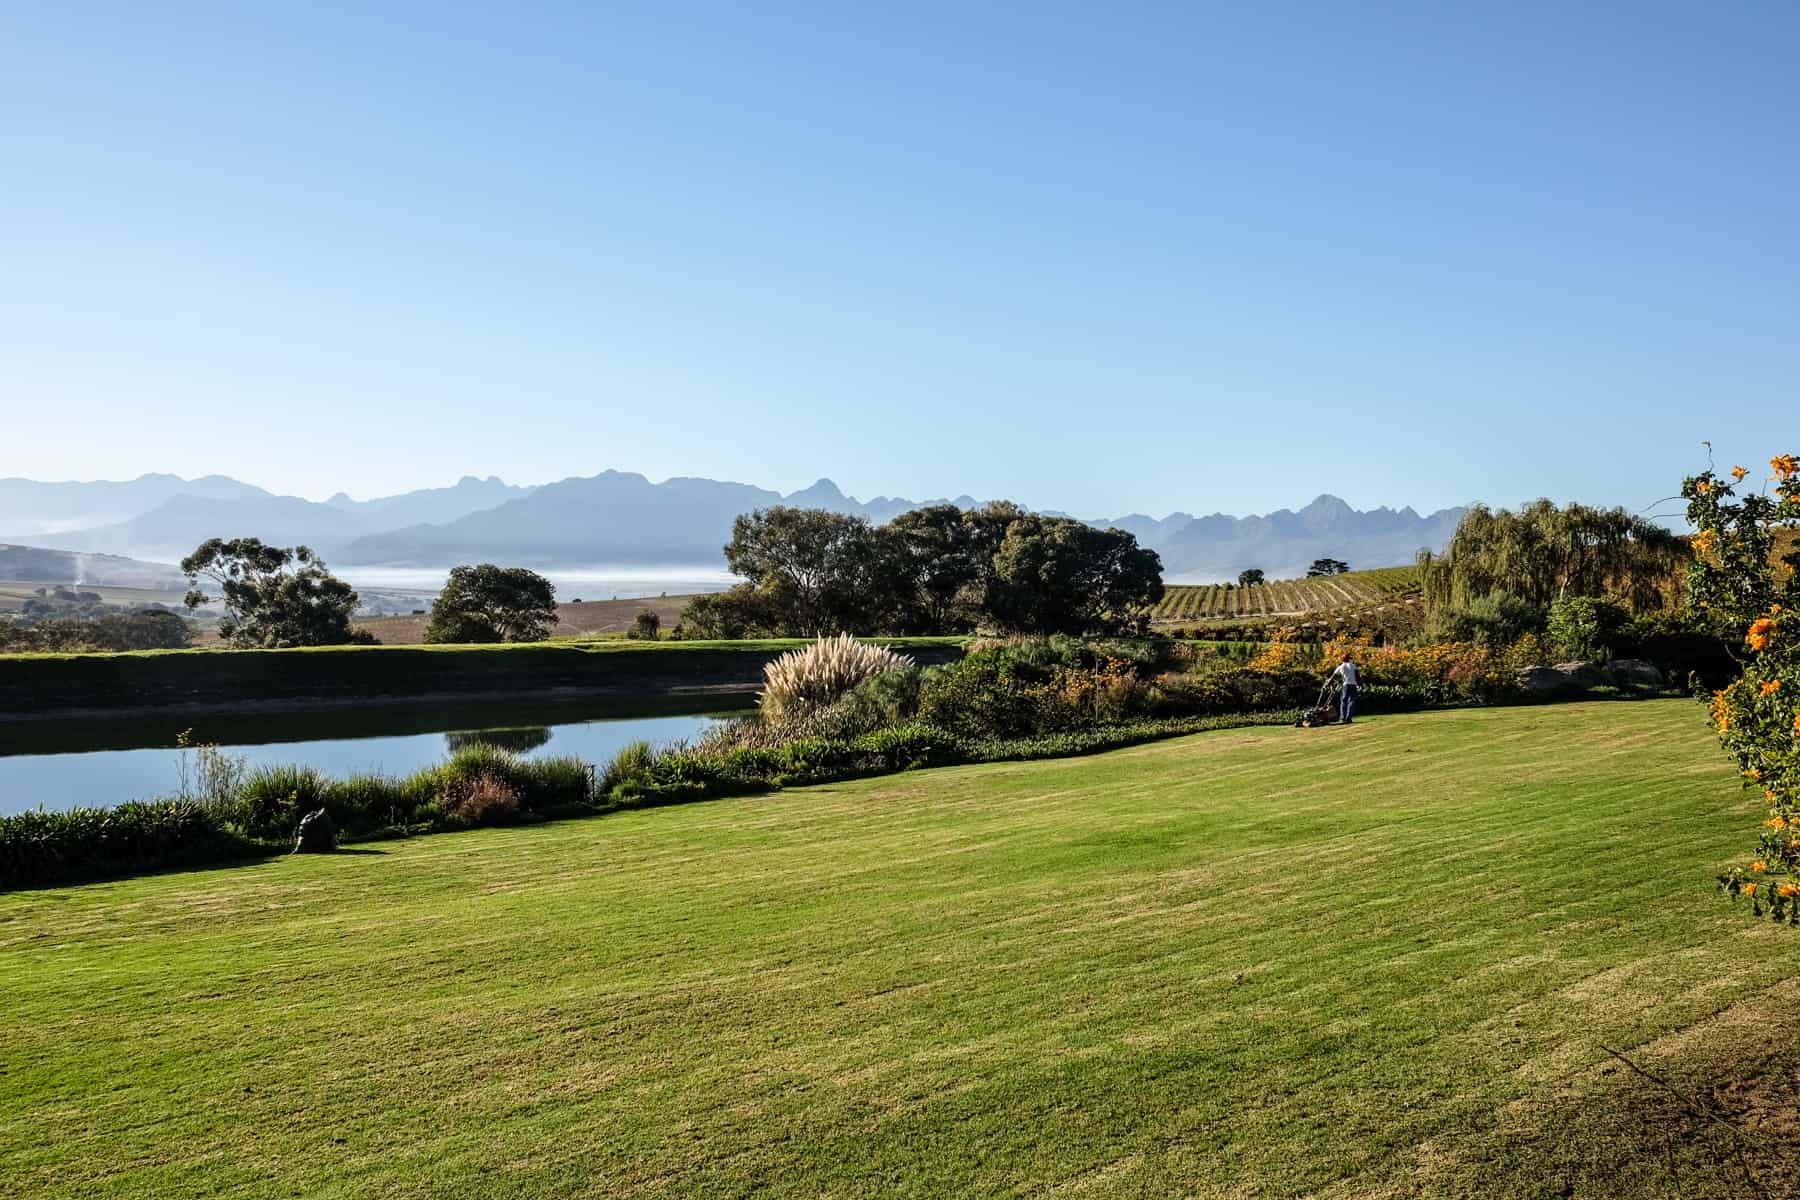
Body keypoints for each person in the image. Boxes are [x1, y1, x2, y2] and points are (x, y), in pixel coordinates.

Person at [1332, 654, 1359, 724]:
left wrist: (1329, 683)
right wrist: (1360, 684)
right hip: (1353, 685)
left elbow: (1333, 675)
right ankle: (1348, 718)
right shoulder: (1353, 666)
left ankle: (1343, 718)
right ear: (1349, 659)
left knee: (1344, 701)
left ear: (1342, 659)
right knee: (1351, 701)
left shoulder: (1341, 666)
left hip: (1345, 685)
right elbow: (1357, 676)